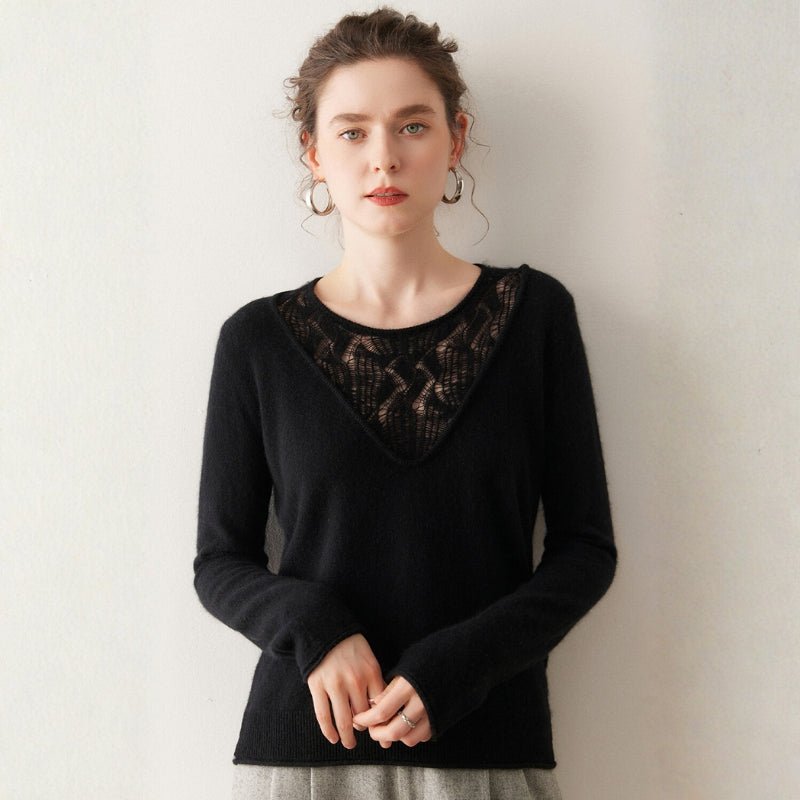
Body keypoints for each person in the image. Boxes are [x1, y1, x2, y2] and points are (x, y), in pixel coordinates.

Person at [193, 8, 617, 799]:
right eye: (352, 132)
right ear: (314, 153)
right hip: (307, 758)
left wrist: (465, 663)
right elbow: (220, 563)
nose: (383, 156)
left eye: (412, 126)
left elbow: (585, 551)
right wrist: (313, 630)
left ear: (455, 140)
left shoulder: (535, 318)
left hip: (486, 750)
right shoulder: (256, 341)